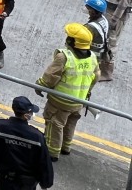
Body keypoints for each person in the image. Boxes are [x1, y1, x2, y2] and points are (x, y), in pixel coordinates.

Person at [35, 23, 99, 162]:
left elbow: (50, 77)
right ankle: (66, 147)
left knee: (55, 124)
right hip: (79, 102)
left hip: (60, 101)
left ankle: (52, 153)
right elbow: (96, 77)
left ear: (72, 40)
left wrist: (40, 86)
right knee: (71, 123)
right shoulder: (92, 57)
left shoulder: (64, 57)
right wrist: (87, 92)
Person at [0, 95, 54, 189]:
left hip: (4, 181)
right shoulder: (37, 137)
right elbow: (44, 162)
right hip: (27, 184)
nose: (31, 114)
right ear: (26, 115)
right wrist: (45, 183)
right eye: (30, 112)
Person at [84, 0, 111, 82]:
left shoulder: (91, 27)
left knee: (85, 76)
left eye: (88, 8)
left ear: (93, 11)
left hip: (89, 56)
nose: (86, 9)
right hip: (99, 54)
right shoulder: (104, 20)